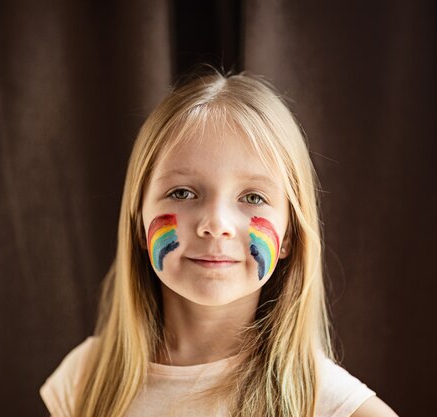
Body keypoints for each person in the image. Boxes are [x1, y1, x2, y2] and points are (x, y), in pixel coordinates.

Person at [40, 70, 397, 417]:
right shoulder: (85, 377)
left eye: (253, 197)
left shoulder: (325, 402)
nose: (215, 224)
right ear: (138, 222)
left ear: (289, 235)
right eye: (182, 192)